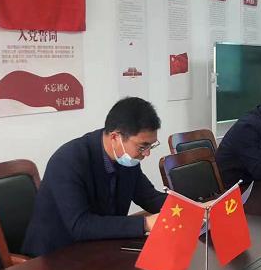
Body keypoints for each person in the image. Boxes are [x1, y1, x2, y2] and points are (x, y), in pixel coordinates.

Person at [22, 97, 166, 257]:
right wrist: (145, 223)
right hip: (54, 255)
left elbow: (149, 197)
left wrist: (184, 209)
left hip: (99, 247)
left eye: (151, 146)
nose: (147, 153)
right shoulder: (68, 160)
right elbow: (80, 225)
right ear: (115, 137)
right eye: (142, 146)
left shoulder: (126, 159)